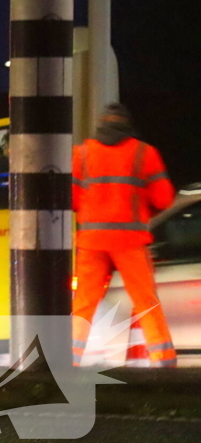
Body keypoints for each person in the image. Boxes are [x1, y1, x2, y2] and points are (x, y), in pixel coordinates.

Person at [72, 103, 177, 368]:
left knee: (83, 303)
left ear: (101, 125)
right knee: (146, 301)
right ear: (127, 125)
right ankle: (163, 362)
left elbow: (71, 199)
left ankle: (69, 360)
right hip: (130, 241)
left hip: (91, 241)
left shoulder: (81, 154)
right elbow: (164, 198)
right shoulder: (144, 153)